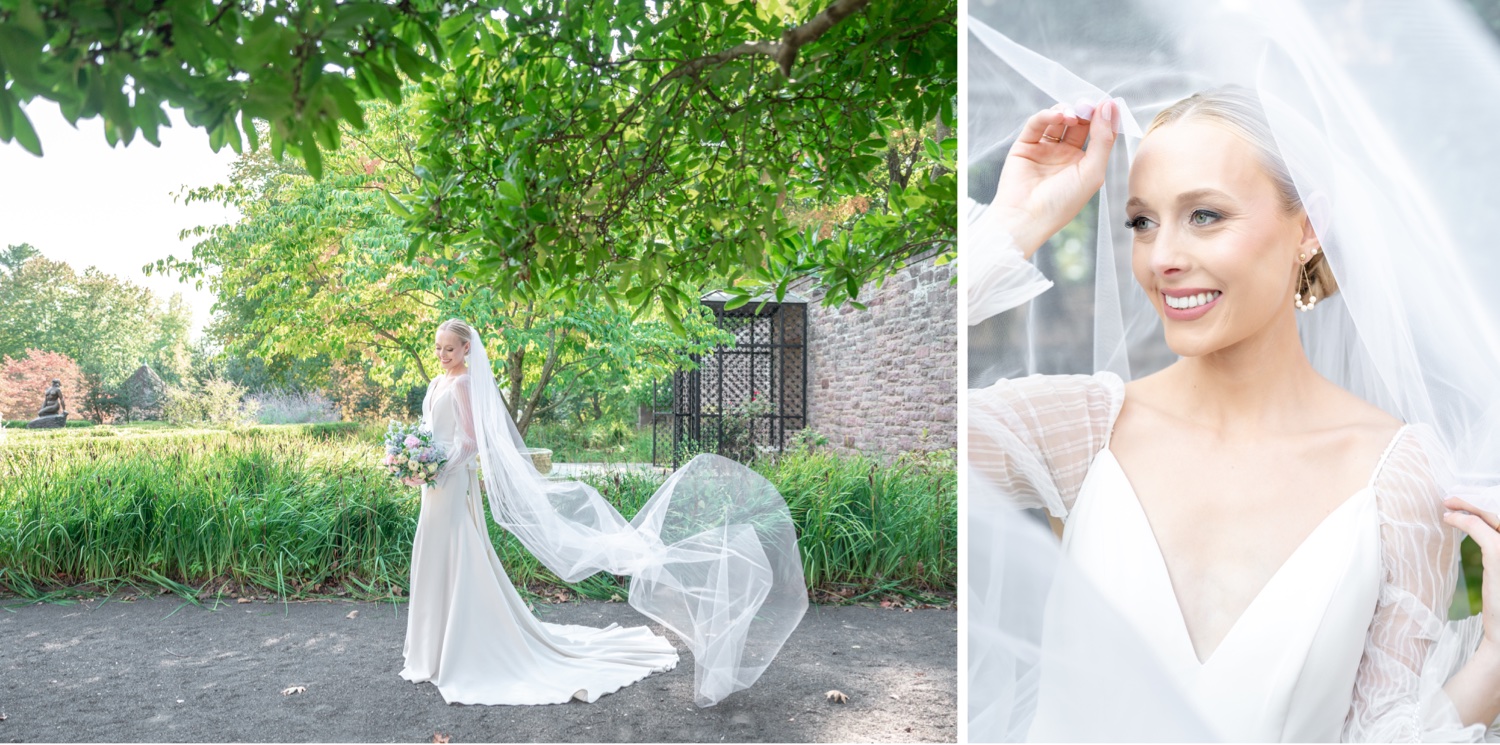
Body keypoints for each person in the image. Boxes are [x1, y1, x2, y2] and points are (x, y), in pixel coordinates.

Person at [968, 88, 1500, 741]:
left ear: (1308, 228)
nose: (1162, 257)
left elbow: (1381, 732)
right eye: (1142, 221)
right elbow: (921, 428)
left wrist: (1496, 663)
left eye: (1205, 215)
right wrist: (1015, 224)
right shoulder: (1080, 429)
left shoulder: (1398, 474)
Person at [401, 318, 807, 707]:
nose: (442, 354)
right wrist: (411, 459)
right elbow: (429, 433)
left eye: (449, 348)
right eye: (438, 348)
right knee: (432, 552)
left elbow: (471, 443)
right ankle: (431, 647)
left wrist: (435, 466)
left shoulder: (466, 385)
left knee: (457, 551)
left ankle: (460, 643)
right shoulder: (437, 382)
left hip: (450, 483)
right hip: (433, 486)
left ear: (466, 348)